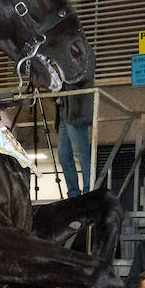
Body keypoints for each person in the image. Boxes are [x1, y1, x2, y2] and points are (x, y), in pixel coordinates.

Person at [55, 55, 95, 196]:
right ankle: (74, 193)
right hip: (65, 109)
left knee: (81, 152)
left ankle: (88, 191)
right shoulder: (61, 54)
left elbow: (84, 76)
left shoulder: (84, 53)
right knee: (64, 155)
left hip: (76, 109)